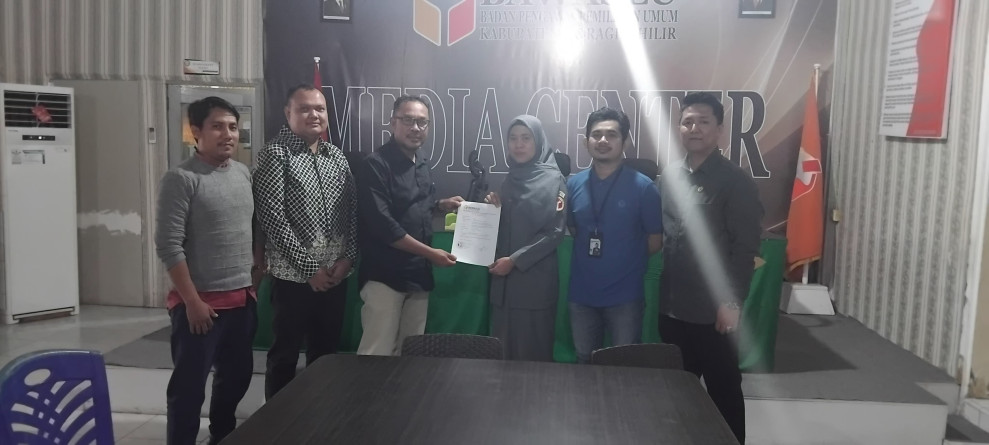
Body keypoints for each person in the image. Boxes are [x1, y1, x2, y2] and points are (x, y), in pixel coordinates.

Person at [658, 92, 763, 443]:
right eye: (687, 122)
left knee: (723, 391)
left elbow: (745, 249)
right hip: (672, 307)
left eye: (704, 122)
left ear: (719, 129)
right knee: (676, 390)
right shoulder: (669, 176)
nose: (695, 128)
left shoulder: (735, 181)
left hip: (713, 311)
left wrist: (731, 302)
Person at [155, 97, 260, 445]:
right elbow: (169, 245)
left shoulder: (243, 173)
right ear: (196, 131)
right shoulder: (181, 179)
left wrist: (255, 277)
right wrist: (192, 302)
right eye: (217, 126)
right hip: (200, 307)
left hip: (241, 302)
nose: (228, 134)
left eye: (233, 127)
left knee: (236, 379)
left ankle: (221, 435)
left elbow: (252, 230)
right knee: (188, 389)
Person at [253, 84, 358, 398]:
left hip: (335, 276)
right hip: (293, 278)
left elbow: (353, 211)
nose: (314, 114)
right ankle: (279, 421)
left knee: (325, 355)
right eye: (304, 108)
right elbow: (271, 217)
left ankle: (319, 416)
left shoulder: (335, 156)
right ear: (288, 113)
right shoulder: (275, 154)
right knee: (284, 355)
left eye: (320, 108)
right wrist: (310, 269)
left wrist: (348, 257)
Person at [356, 95, 463, 356]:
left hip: (418, 276)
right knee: (376, 354)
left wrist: (440, 205)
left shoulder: (422, 161)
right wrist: (431, 254)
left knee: (411, 353)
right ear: (393, 123)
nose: (415, 128)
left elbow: (413, 206)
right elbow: (385, 226)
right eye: (408, 120)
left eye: (422, 122)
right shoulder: (375, 165)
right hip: (385, 276)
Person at [566, 107, 664, 364]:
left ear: (625, 142)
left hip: (625, 296)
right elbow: (575, 230)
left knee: (624, 365)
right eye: (596, 134)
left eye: (611, 135)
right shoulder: (573, 185)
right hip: (581, 294)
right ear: (585, 141)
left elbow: (654, 241)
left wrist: (623, 258)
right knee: (584, 360)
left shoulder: (644, 188)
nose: (603, 140)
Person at [484, 115, 568, 361]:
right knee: (502, 355)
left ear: (538, 141)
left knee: (532, 359)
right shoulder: (509, 179)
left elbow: (555, 232)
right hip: (504, 285)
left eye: (526, 138)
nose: (518, 145)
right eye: (513, 138)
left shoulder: (554, 180)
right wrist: (493, 208)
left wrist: (515, 260)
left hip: (534, 284)